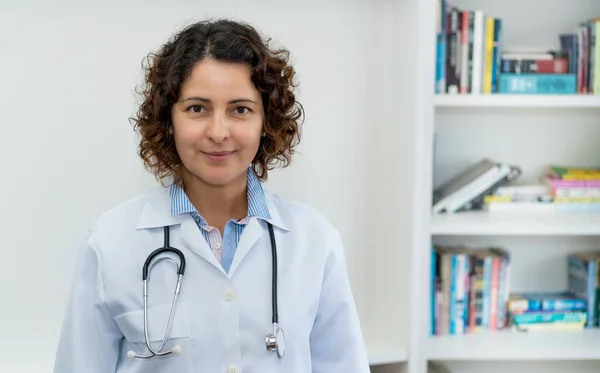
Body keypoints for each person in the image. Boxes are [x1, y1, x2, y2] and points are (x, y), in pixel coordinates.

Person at [53, 18, 370, 373]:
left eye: (240, 109)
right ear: (167, 120)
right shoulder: (110, 244)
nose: (218, 132)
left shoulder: (315, 243)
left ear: (266, 122)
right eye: (197, 108)